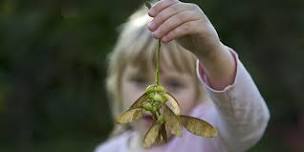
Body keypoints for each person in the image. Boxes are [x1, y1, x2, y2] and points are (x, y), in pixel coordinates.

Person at [95, 0, 270, 151]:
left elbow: (248, 125)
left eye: (174, 84)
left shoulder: (207, 139)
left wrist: (213, 55)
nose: (156, 99)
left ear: (199, 91)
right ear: (117, 84)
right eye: (139, 80)